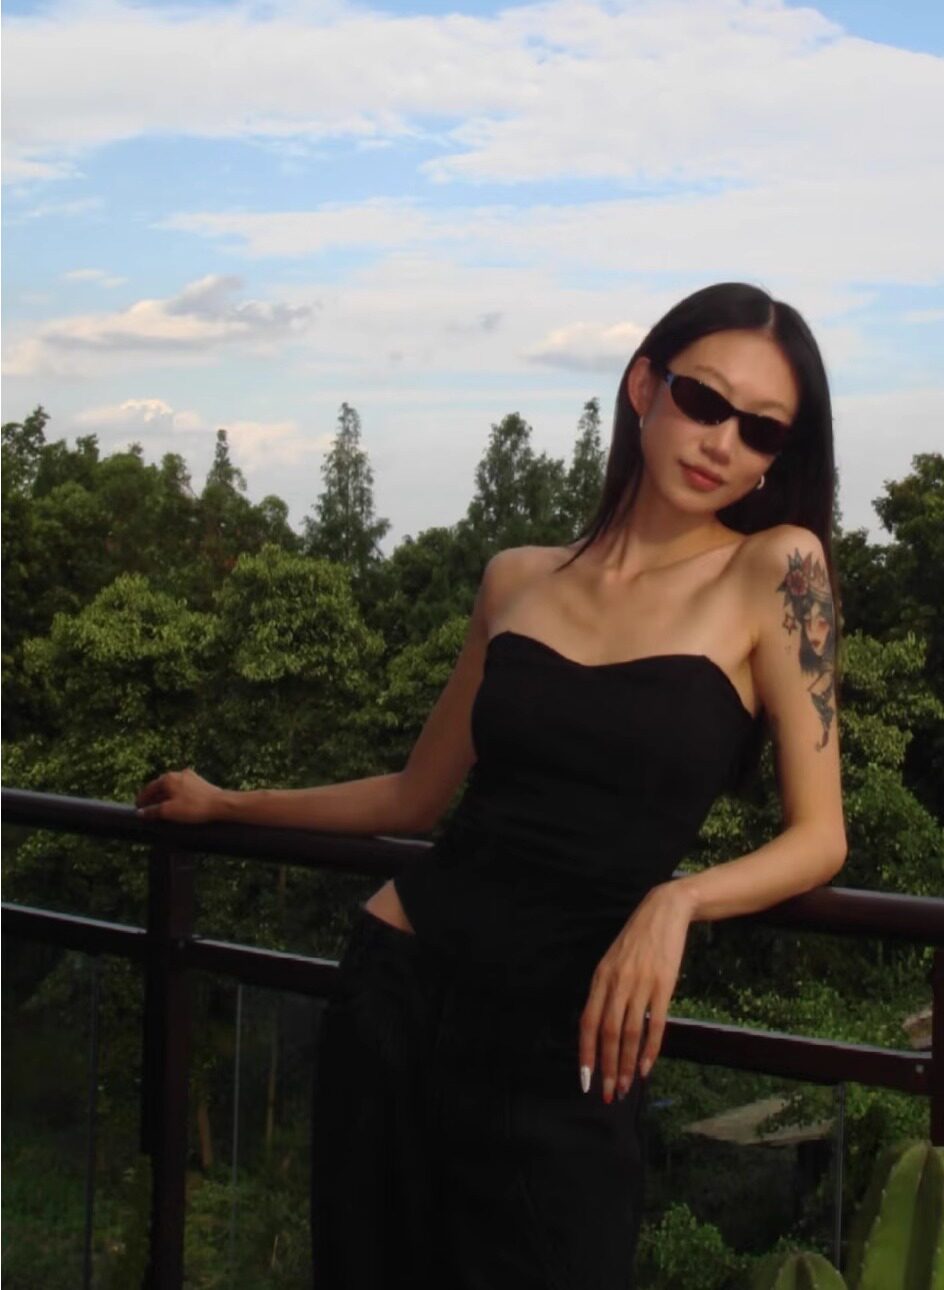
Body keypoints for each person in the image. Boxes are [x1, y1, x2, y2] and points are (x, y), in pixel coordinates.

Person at [135, 281, 848, 1288]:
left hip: (575, 1036)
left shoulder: (777, 571)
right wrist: (226, 805)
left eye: (761, 428)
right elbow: (415, 797)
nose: (723, 441)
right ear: (645, 386)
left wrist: (677, 902)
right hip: (399, 995)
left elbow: (821, 837)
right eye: (704, 400)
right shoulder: (518, 578)